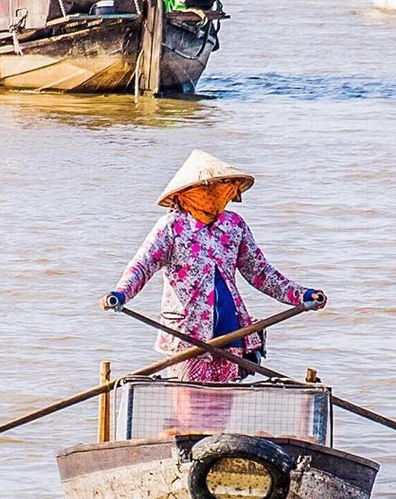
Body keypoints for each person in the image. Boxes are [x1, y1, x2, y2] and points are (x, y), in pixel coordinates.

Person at [101, 149, 325, 383]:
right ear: (189, 193)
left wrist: (302, 295)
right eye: (207, 189)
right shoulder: (172, 227)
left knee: (221, 407)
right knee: (187, 407)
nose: (214, 194)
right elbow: (142, 265)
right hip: (187, 334)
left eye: (220, 188)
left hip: (230, 331)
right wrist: (120, 294)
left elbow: (261, 272)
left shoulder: (234, 225)